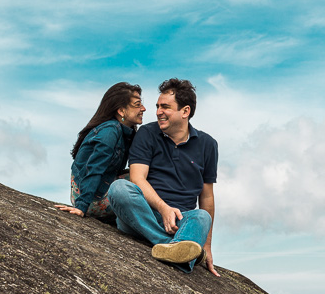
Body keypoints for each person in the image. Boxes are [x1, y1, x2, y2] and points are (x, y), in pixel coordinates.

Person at [107, 78, 220, 276]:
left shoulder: (208, 144)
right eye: (158, 106)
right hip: (142, 214)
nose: (158, 111)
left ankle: (177, 247)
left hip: (180, 221)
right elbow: (137, 178)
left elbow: (207, 197)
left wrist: (207, 245)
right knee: (119, 189)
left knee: (202, 216)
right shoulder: (147, 134)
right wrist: (163, 208)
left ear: (185, 111)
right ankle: (172, 248)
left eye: (165, 107)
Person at [55, 82, 146, 220]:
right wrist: (81, 206)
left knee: (148, 175)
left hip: (102, 189)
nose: (143, 109)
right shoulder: (109, 132)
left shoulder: (127, 134)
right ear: (121, 111)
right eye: (137, 104)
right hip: (92, 199)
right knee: (147, 182)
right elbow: (94, 168)